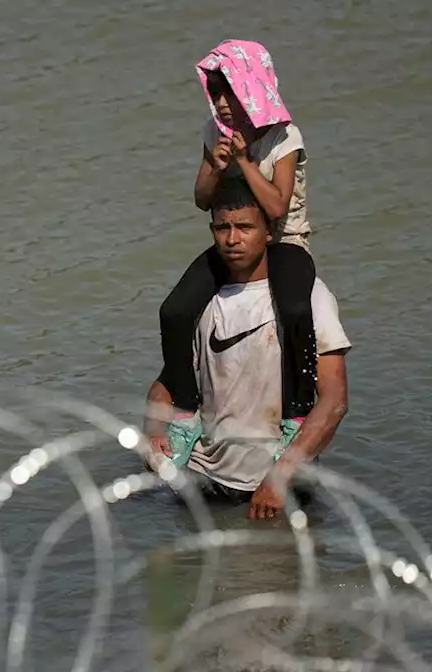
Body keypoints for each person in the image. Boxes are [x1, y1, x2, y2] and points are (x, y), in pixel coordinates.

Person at [142, 178, 350, 520]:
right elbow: (166, 386)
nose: (233, 238)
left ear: (268, 231)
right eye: (223, 227)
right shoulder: (202, 301)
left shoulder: (310, 297)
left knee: (283, 571)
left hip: (278, 485)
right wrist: (153, 435)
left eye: (244, 227)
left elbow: (334, 401)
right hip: (203, 482)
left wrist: (279, 477)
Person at [158, 39, 320, 460]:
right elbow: (200, 198)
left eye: (229, 92)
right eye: (215, 94)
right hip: (236, 238)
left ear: (252, 87)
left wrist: (246, 161)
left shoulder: (285, 137)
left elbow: (277, 206)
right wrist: (216, 162)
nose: (222, 104)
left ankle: (297, 415)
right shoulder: (216, 132)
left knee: (297, 311)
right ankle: (187, 413)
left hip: (283, 242)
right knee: (173, 312)